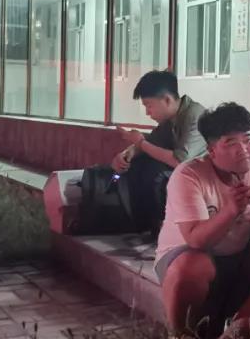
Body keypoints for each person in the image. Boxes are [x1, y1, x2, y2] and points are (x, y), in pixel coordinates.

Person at [155, 102, 250, 339]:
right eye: (231, 143)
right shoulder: (189, 174)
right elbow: (196, 240)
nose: (244, 149)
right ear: (212, 150)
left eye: (248, 139)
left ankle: (237, 338)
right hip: (186, 255)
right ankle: (180, 338)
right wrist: (230, 211)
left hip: (241, 254)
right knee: (193, 264)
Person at [42, 70, 205, 234]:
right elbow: (151, 143)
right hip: (182, 175)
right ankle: (133, 223)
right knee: (134, 165)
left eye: (149, 105)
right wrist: (127, 154)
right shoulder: (170, 120)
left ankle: (156, 226)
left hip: (203, 181)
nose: (148, 112)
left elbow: (179, 161)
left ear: (167, 100)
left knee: (154, 172)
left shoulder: (195, 116)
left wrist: (140, 143)